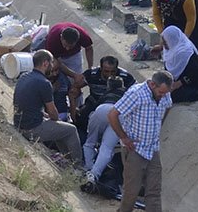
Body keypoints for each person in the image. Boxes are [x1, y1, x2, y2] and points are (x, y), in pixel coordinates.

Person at [108, 70, 173, 212]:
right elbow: (113, 114)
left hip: (153, 148)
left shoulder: (165, 93)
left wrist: (159, 124)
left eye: (165, 93)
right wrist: (124, 137)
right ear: (152, 84)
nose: (163, 95)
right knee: (132, 191)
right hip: (135, 149)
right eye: (161, 92)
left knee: (154, 191)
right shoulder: (136, 94)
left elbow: (168, 106)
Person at [13, 50, 83, 169]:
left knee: (60, 130)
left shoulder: (24, 76)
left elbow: (28, 103)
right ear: (45, 63)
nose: (53, 66)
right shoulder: (44, 83)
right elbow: (53, 114)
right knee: (71, 129)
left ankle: (67, 162)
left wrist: (43, 114)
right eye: (51, 62)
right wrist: (53, 117)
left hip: (19, 122)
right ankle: (78, 167)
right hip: (31, 128)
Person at [74, 55, 136, 143]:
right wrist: (74, 106)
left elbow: (136, 93)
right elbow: (74, 88)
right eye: (106, 71)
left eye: (113, 72)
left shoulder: (125, 77)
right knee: (80, 120)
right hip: (94, 102)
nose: (109, 75)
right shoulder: (92, 74)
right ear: (101, 69)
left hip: (117, 106)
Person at [81, 77, 127, 190]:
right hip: (120, 115)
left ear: (108, 85)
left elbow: (92, 108)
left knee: (90, 143)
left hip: (102, 109)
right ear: (122, 86)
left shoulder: (106, 93)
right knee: (107, 148)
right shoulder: (126, 94)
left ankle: (88, 169)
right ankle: (94, 175)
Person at [45, 22, 94, 119]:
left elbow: (89, 48)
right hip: (57, 57)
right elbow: (58, 63)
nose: (67, 48)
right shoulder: (52, 39)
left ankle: (78, 110)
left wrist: (90, 68)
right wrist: (73, 74)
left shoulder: (82, 35)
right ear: (61, 38)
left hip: (74, 56)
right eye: (65, 45)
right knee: (59, 83)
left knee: (76, 85)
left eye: (70, 46)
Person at [161, 26, 198, 103]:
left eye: (165, 41)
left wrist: (180, 82)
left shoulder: (185, 52)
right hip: (178, 83)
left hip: (195, 84)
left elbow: (197, 73)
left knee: (171, 96)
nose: (164, 44)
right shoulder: (171, 50)